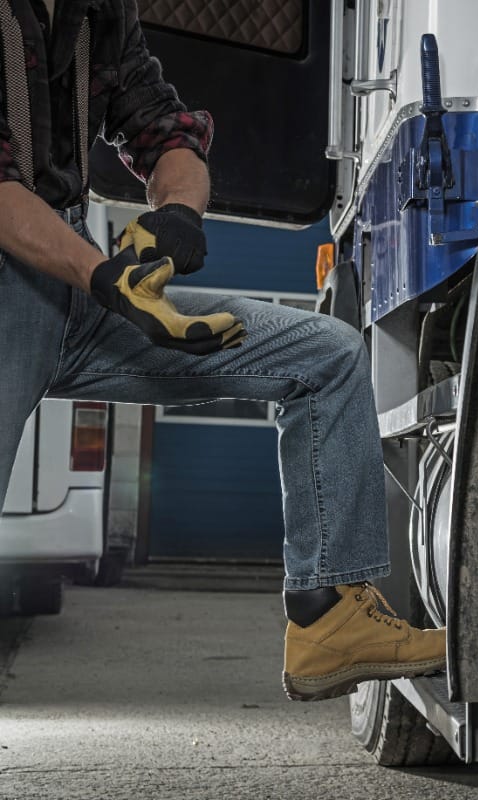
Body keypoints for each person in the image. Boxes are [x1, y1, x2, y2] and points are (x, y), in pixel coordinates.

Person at [0, 0, 444, 701]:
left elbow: (165, 128)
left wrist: (176, 211)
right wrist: (102, 275)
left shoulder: (96, 13)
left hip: (73, 282)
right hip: (21, 265)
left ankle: (327, 618)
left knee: (323, 355)